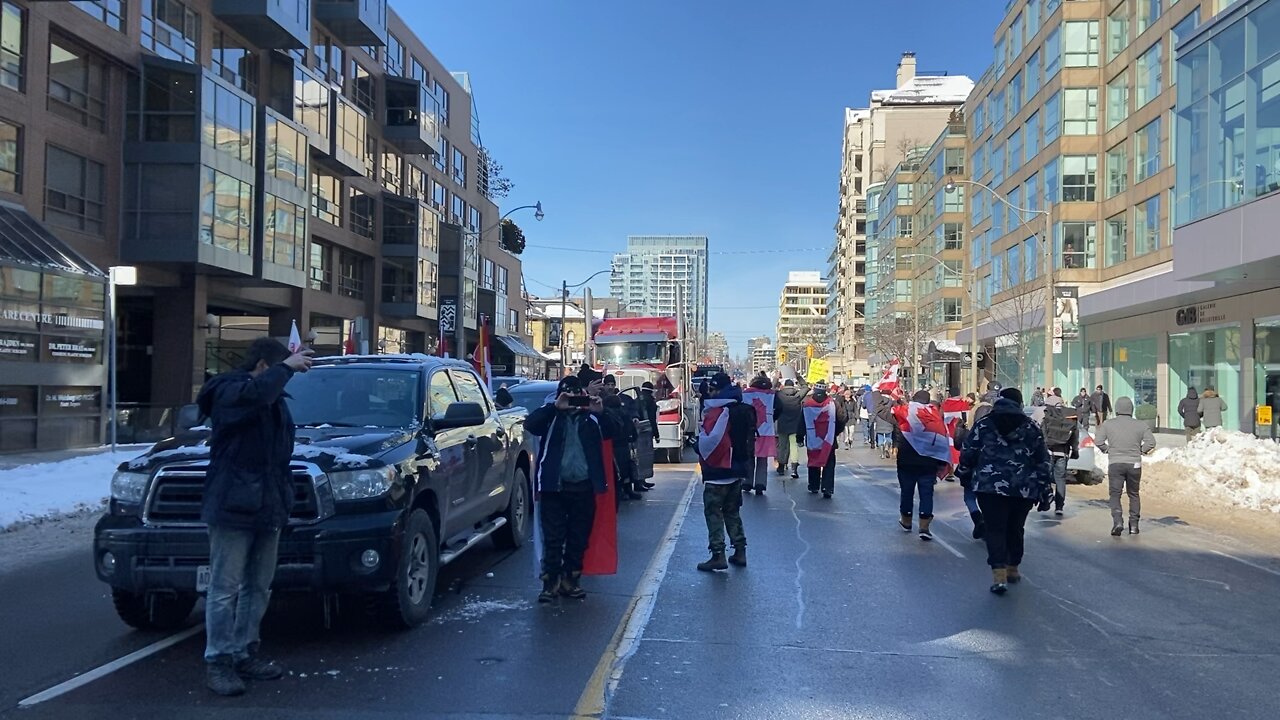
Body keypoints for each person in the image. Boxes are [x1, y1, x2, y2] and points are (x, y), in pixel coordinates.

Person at [195, 337, 313, 697]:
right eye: (281, 372)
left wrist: (284, 498)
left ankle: (245, 651)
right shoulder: (227, 391)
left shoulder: (273, 399)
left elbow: (277, 455)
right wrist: (285, 368)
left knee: (258, 586)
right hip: (232, 505)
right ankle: (218, 661)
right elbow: (253, 398)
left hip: (267, 505)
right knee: (223, 589)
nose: (286, 381)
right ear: (263, 365)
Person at [526, 375, 621, 603]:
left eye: (576, 397)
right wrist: (555, 407)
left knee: (579, 538)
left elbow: (620, 431)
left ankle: (571, 580)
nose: (572, 402)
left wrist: (601, 411)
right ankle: (550, 584)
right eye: (567, 396)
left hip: (585, 487)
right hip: (553, 488)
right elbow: (530, 424)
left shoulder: (592, 419)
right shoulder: (550, 417)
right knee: (553, 538)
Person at [955, 388, 1054, 595]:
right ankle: (1013, 568)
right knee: (1016, 528)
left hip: (989, 487)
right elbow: (1042, 460)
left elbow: (968, 453)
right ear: (1019, 403)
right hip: (1024, 488)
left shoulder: (984, 425)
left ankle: (999, 575)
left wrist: (964, 474)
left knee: (995, 529)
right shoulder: (1031, 427)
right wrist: (1044, 488)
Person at [695, 373, 755, 571]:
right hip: (737, 469)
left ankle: (717, 554)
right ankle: (740, 551)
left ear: (717, 390)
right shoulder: (740, 408)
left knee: (713, 513)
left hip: (717, 471)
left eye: (711, 389)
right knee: (732, 512)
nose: (709, 393)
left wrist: (698, 446)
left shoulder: (718, 411)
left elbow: (712, 441)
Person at [893, 390, 951, 539]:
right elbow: (941, 440)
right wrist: (940, 462)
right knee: (926, 494)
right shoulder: (936, 417)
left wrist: (878, 393)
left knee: (907, 492)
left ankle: (906, 521)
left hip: (907, 462)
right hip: (928, 463)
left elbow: (882, 411)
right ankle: (924, 527)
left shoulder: (904, 414)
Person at [1095, 397, 1156, 537]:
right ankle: (1134, 525)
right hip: (1134, 463)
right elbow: (1151, 442)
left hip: (1115, 463)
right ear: (1131, 409)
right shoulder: (1141, 425)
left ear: (1117, 409)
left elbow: (1098, 441)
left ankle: (1118, 521)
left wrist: (1107, 449)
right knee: (1133, 494)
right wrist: (1141, 450)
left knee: (1115, 494)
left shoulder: (1108, 424)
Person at [803, 382, 847, 499]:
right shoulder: (833, 403)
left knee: (813, 460)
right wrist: (836, 432)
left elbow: (802, 421)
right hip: (829, 439)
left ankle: (813, 485)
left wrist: (800, 435)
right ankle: (827, 488)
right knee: (829, 463)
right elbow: (842, 418)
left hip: (813, 438)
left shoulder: (807, 404)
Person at [1040, 392, 1080, 516]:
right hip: (1063, 453)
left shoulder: (1047, 414)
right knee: (1060, 479)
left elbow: (1042, 432)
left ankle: (1047, 498)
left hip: (1049, 451)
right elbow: (1075, 435)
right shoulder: (1070, 416)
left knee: (1045, 476)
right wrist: (1075, 450)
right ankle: (1059, 507)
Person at [742, 376, 775, 495]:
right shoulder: (772, 395)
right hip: (766, 430)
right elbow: (779, 408)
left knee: (749, 455)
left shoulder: (745, 394)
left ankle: (747, 481)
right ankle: (760, 483)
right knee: (762, 458)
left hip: (748, 429)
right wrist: (772, 418)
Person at [773, 378, 805, 478]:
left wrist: (776, 378)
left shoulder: (779, 395)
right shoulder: (798, 395)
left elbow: (772, 388)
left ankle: (781, 467)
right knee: (794, 446)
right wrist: (798, 376)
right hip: (795, 425)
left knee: (782, 446)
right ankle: (794, 469)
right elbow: (806, 387)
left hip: (782, 424)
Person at [875, 392, 897, 459]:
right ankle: (887, 446)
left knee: (880, 437)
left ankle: (882, 453)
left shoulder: (878, 403)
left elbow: (874, 412)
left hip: (879, 421)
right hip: (889, 420)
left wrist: (872, 421)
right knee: (888, 436)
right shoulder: (891, 403)